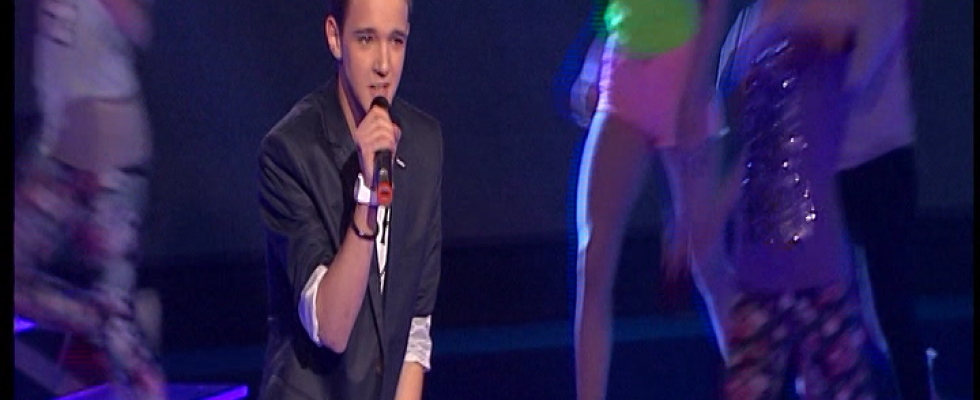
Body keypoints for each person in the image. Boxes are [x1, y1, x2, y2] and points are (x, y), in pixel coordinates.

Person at [671, 0, 910, 397]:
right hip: (758, 269)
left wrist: (781, 27)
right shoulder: (756, 23)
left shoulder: (833, 22)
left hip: (819, 270)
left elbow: (854, 26)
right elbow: (755, 143)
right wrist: (708, 221)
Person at [255, 0, 443, 398]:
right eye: (366, 39)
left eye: (396, 41)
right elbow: (331, 327)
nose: (384, 65)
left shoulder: (424, 145)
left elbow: (415, 324)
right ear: (335, 38)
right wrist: (368, 198)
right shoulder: (290, 151)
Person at [568, 0, 730, 399]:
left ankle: (758, 382)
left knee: (705, 257)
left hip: (682, 70)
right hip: (622, 78)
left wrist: (694, 91)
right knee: (592, 257)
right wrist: (593, 58)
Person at [13, 0, 166, 399]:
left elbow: (139, 28)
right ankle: (98, 315)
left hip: (109, 147)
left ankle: (113, 322)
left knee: (120, 342)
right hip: (57, 146)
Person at [836, 0, 932, 398]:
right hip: (832, 169)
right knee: (838, 310)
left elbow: (854, 80)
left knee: (891, 308)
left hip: (882, 163)